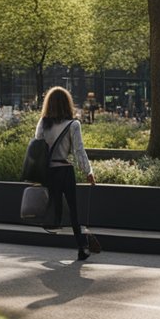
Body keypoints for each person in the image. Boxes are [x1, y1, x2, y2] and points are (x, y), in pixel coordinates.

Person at [35, 87, 100, 260]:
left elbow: (38, 147)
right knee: (73, 210)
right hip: (65, 170)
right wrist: (88, 172)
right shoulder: (73, 125)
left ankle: (52, 224)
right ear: (67, 103)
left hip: (49, 172)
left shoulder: (43, 123)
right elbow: (79, 151)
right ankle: (81, 247)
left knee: (54, 203)